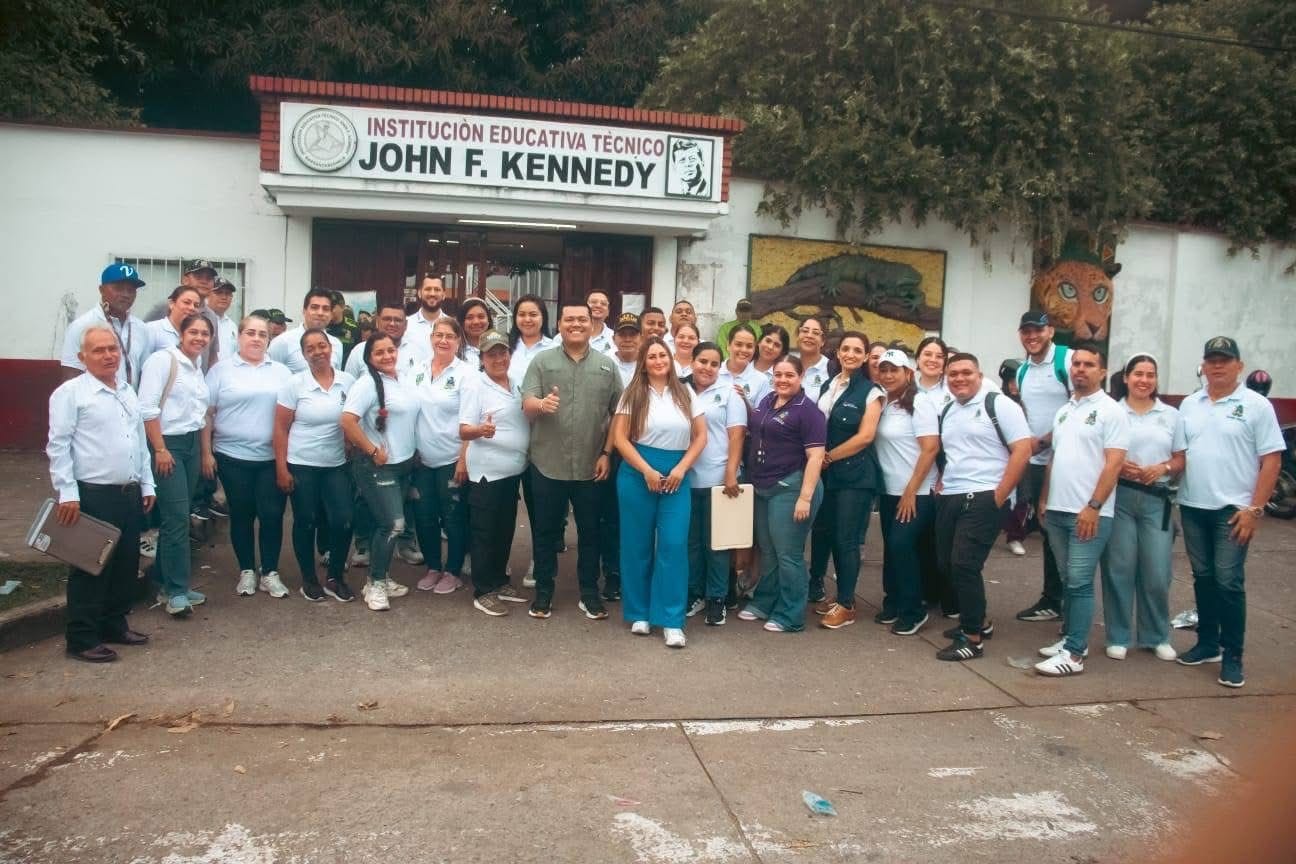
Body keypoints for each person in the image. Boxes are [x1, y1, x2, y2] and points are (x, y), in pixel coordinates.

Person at [1172, 336, 1285, 688]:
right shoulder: (1190, 405)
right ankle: (1207, 643)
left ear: (1239, 365)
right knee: (1203, 578)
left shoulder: (1256, 406)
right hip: (1193, 506)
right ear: (1203, 366)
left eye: (1225, 360)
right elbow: (1181, 455)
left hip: (1233, 511)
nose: (1217, 366)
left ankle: (1233, 654)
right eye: (1212, 360)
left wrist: (1255, 509)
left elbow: (1271, 461)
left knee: (1229, 582)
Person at [48, 326, 156, 661]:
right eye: (98, 350)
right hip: (91, 494)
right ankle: (81, 638)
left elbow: (139, 442)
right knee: (91, 567)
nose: (108, 355)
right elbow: (58, 445)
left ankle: (114, 624)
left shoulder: (126, 390)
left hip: (129, 492)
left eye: (113, 349)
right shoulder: (70, 394)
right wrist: (67, 492)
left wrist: (147, 483)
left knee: (125, 564)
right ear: (82, 357)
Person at [1033, 343, 1130, 677]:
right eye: (1076, 364)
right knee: (1067, 579)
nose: (1080, 369)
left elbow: (1114, 463)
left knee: (1080, 582)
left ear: (1102, 372)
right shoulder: (1065, 410)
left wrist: (1093, 506)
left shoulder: (1111, 411)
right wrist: (1044, 499)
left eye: (1089, 364)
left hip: (1089, 513)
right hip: (1057, 510)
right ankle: (1071, 639)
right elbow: (1055, 458)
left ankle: (1073, 655)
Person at [521, 302, 623, 619]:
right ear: (560, 324)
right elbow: (526, 404)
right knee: (545, 533)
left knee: (590, 532)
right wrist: (542, 404)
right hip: (547, 464)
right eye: (570, 319)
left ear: (592, 325)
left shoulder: (607, 366)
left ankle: (589, 593)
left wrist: (607, 453)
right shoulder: (542, 361)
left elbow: (619, 415)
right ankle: (543, 593)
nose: (576, 324)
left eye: (582, 319)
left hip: (592, 466)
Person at [931, 353, 1033, 662]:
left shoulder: (999, 404)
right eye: (953, 374)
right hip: (952, 494)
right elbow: (952, 453)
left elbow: (1023, 450)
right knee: (947, 564)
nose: (959, 379)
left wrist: (999, 495)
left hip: (985, 496)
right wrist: (942, 482)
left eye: (966, 373)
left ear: (979, 374)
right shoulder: (948, 409)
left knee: (964, 563)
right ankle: (980, 621)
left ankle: (972, 639)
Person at [613, 337, 707, 647]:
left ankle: (671, 620)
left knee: (673, 544)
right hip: (638, 472)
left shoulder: (686, 392)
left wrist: (681, 468)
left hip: (676, 476)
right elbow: (620, 439)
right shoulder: (633, 393)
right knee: (636, 544)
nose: (657, 360)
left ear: (670, 359)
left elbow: (701, 436)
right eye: (651, 356)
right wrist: (646, 470)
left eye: (661, 355)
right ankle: (638, 612)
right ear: (644, 362)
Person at [1098, 353, 1182, 663]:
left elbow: (1181, 458)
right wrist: (1118, 468)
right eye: (1138, 374)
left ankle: (1156, 635)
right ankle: (1118, 635)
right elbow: (1100, 455)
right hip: (1119, 498)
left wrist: (1163, 468)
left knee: (1157, 572)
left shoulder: (1171, 415)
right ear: (1126, 377)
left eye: (1150, 374)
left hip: (1156, 500)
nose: (1144, 380)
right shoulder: (1112, 412)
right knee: (1119, 569)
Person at [202, 315, 293, 599]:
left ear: (269, 340)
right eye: (250, 333)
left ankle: (270, 571)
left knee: (272, 514)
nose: (256, 339)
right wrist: (206, 452)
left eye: (262, 334)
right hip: (232, 457)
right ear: (239, 337)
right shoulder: (221, 371)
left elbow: (292, 415)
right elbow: (207, 414)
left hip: (270, 458)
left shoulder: (281, 372)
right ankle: (247, 571)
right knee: (242, 514)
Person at [738, 356, 826, 632]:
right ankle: (765, 601)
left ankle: (791, 614)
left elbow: (815, 456)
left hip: (792, 488)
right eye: (778, 375)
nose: (783, 380)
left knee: (788, 553)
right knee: (768, 550)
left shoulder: (809, 412)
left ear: (801, 378)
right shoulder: (767, 401)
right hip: (764, 486)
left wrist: (805, 497)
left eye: (789, 375)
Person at [273, 328, 357, 602]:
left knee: (343, 520)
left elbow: (353, 419)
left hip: (335, 464)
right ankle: (308, 578)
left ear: (331, 348)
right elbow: (281, 428)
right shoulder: (294, 384)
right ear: (304, 354)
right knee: (306, 521)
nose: (318, 351)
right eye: (311, 348)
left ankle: (335, 576)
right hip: (302, 464)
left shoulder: (347, 381)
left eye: (322, 346)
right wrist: (281, 468)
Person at [807, 332, 884, 628]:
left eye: (857, 350)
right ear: (838, 353)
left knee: (846, 539)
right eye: (846, 349)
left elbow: (865, 437)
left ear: (865, 356)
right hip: (827, 475)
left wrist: (828, 457)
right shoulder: (830, 384)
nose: (851, 354)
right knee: (824, 533)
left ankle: (848, 604)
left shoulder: (872, 391)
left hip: (854, 476)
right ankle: (836, 598)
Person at [341, 333, 422, 611]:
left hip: (404, 464)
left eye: (391, 350)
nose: (387, 356)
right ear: (369, 358)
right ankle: (375, 584)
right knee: (393, 525)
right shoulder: (366, 384)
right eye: (380, 353)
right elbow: (348, 421)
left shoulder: (403, 379)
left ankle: (382, 577)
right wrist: (372, 450)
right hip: (377, 466)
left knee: (384, 524)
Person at [138, 314, 211, 616]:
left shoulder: (196, 366)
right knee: (177, 517)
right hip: (167, 445)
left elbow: (202, 412)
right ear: (181, 334)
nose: (199, 338)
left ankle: (165, 582)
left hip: (191, 444)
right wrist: (159, 449)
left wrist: (205, 452)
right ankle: (177, 592)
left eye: (205, 333)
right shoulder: (163, 360)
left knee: (176, 516)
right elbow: (147, 408)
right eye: (193, 331)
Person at [459, 330, 530, 615]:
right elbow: (463, 429)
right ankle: (483, 589)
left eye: (502, 353)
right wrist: (481, 430)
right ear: (482, 358)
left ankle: (500, 581)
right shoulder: (475, 385)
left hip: (511, 473)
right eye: (492, 354)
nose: (499, 358)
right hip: (486, 473)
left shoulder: (515, 384)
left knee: (504, 530)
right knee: (484, 533)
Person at [874, 349, 940, 635]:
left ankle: (914, 609)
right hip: (888, 490)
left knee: (902, 545)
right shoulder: (885, 402)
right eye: (884, 370)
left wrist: (912, 490)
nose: (888, 375)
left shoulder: (920, 403)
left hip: (915, 492)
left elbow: (930, 448)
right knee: (892, 547)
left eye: (895, 370)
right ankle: (895, 601)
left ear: (908, 373)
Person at [1014, 309, 1074, 623]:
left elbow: (1079, 408)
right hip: (1036, 461)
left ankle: (1071, 600)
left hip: (1066, 461)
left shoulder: (1068, 359)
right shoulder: (1023, 370)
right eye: (1026, 331)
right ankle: (1052, 599)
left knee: (1065, 532)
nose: (1032, 336)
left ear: (1050, 331)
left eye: (1038, 330)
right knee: (1048, 530)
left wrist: (1047, 440)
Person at [684, 341, 746, 626]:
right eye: (702, 361)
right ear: (692, 361)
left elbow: (736, 436)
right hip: (685, 477)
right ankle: (696, 593)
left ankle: (717, 598)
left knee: (717, 544)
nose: (706, 368)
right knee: (692, 543)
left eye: (713, 363)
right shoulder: (680, 390)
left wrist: (731, 472)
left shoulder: (729, 393)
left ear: (719, 367)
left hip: (719, 478)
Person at [410, 317, 472, 594]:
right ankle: (434, 566)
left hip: (451, 459)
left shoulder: (466, 374)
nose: (443, 340)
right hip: (422, 460)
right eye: (439, 335)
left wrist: (463, 458)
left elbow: (470, 420)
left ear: (459, 342)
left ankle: (453, 570)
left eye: (450, 336)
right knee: (424, 515)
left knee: (453, 517)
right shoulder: (418, 370)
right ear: (431, 337)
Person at [60, 263, 152, 390]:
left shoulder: (141, 328)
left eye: (131, 290)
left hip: (130, 404)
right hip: (95, 406)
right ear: (101, 290)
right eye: (118, 288)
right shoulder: (81, 326)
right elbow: (71, 376)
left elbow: (145, 375)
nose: (126, 294)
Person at [268, 289, 343, 373]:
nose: (320, 313)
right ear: (304, 311)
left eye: (325, 309)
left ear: (331, 314)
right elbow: (271, 378)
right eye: (314, 307)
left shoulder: (336, 344)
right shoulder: (282, 342)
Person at [997, 358, 1029, 557]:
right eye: (1010, 382)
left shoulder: (1031, 403)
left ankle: (1015, 536)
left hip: (1027, 457)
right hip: (1002, 457)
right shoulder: (1000, 403)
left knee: (1023, 498)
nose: (1014, 386)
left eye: (1018, 382)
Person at [345, 302, 426, 378]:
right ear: (377, 322)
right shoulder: (359, 351)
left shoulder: (417, 352)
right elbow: (348, 386)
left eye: (398, 320)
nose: (392, 324)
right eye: (387, 319)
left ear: (406, 325)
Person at [716, 323, 769, 409]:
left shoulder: (762, 381)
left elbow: (761, 419)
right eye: (738, 344)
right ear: (728, 345)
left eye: (749, 346)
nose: (744, 350)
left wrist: (745, 402)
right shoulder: (714, 372)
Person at [508, 294, 554, 386]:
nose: (527, 319)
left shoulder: (555, 348)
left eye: (533, 315)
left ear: (543, 317)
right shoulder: (505, 346)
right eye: (522, 315)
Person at [146, 286, 202, 356]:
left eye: (196, 305)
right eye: (187, 302)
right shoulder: (153, 329)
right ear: (172, 304)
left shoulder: (196, 336)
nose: (192, 308)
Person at [406, 274, 448, 346]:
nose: (432, 294)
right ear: (419, 293)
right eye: (428, 289)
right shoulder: (406, 324)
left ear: (443, 295)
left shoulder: (452, 325)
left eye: (437, 289)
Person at [793, 317, 831, 394]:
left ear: (823, 341)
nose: (809, 336)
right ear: (798, 336)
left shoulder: (831, 369)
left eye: (816, 333)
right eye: (805, 331)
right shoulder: (788, 364)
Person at [208, 277, 239, 363]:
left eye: (228, 293)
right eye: (219, 293)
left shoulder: (232, 326)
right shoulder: (200, 320)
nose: (224, 297)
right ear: (208, 294)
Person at [326, 290, 360, 365]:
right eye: (326, 307)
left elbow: (359, 353)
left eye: (332, 307)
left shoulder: (354, 327)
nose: (328, 310)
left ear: (342, 306)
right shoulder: (321, 326)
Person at [457, 297, 492, 367]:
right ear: (462, 322)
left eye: (481, 317)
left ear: (488, 321)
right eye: (469, 317)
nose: (476, 322)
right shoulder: (454, 351)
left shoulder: (500, 349)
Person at [610, 312, 642, 386]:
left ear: (641, 338)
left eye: (633, 334)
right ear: (613, 339)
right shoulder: (605, 363)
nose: (628, 339)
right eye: (622, 334)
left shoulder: (649, 363)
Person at [587, 290, 616, 354]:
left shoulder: (614, 338)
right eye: (593, 302)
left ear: (608, 312)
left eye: (603, 304)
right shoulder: (569, 334)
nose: (598, 306)